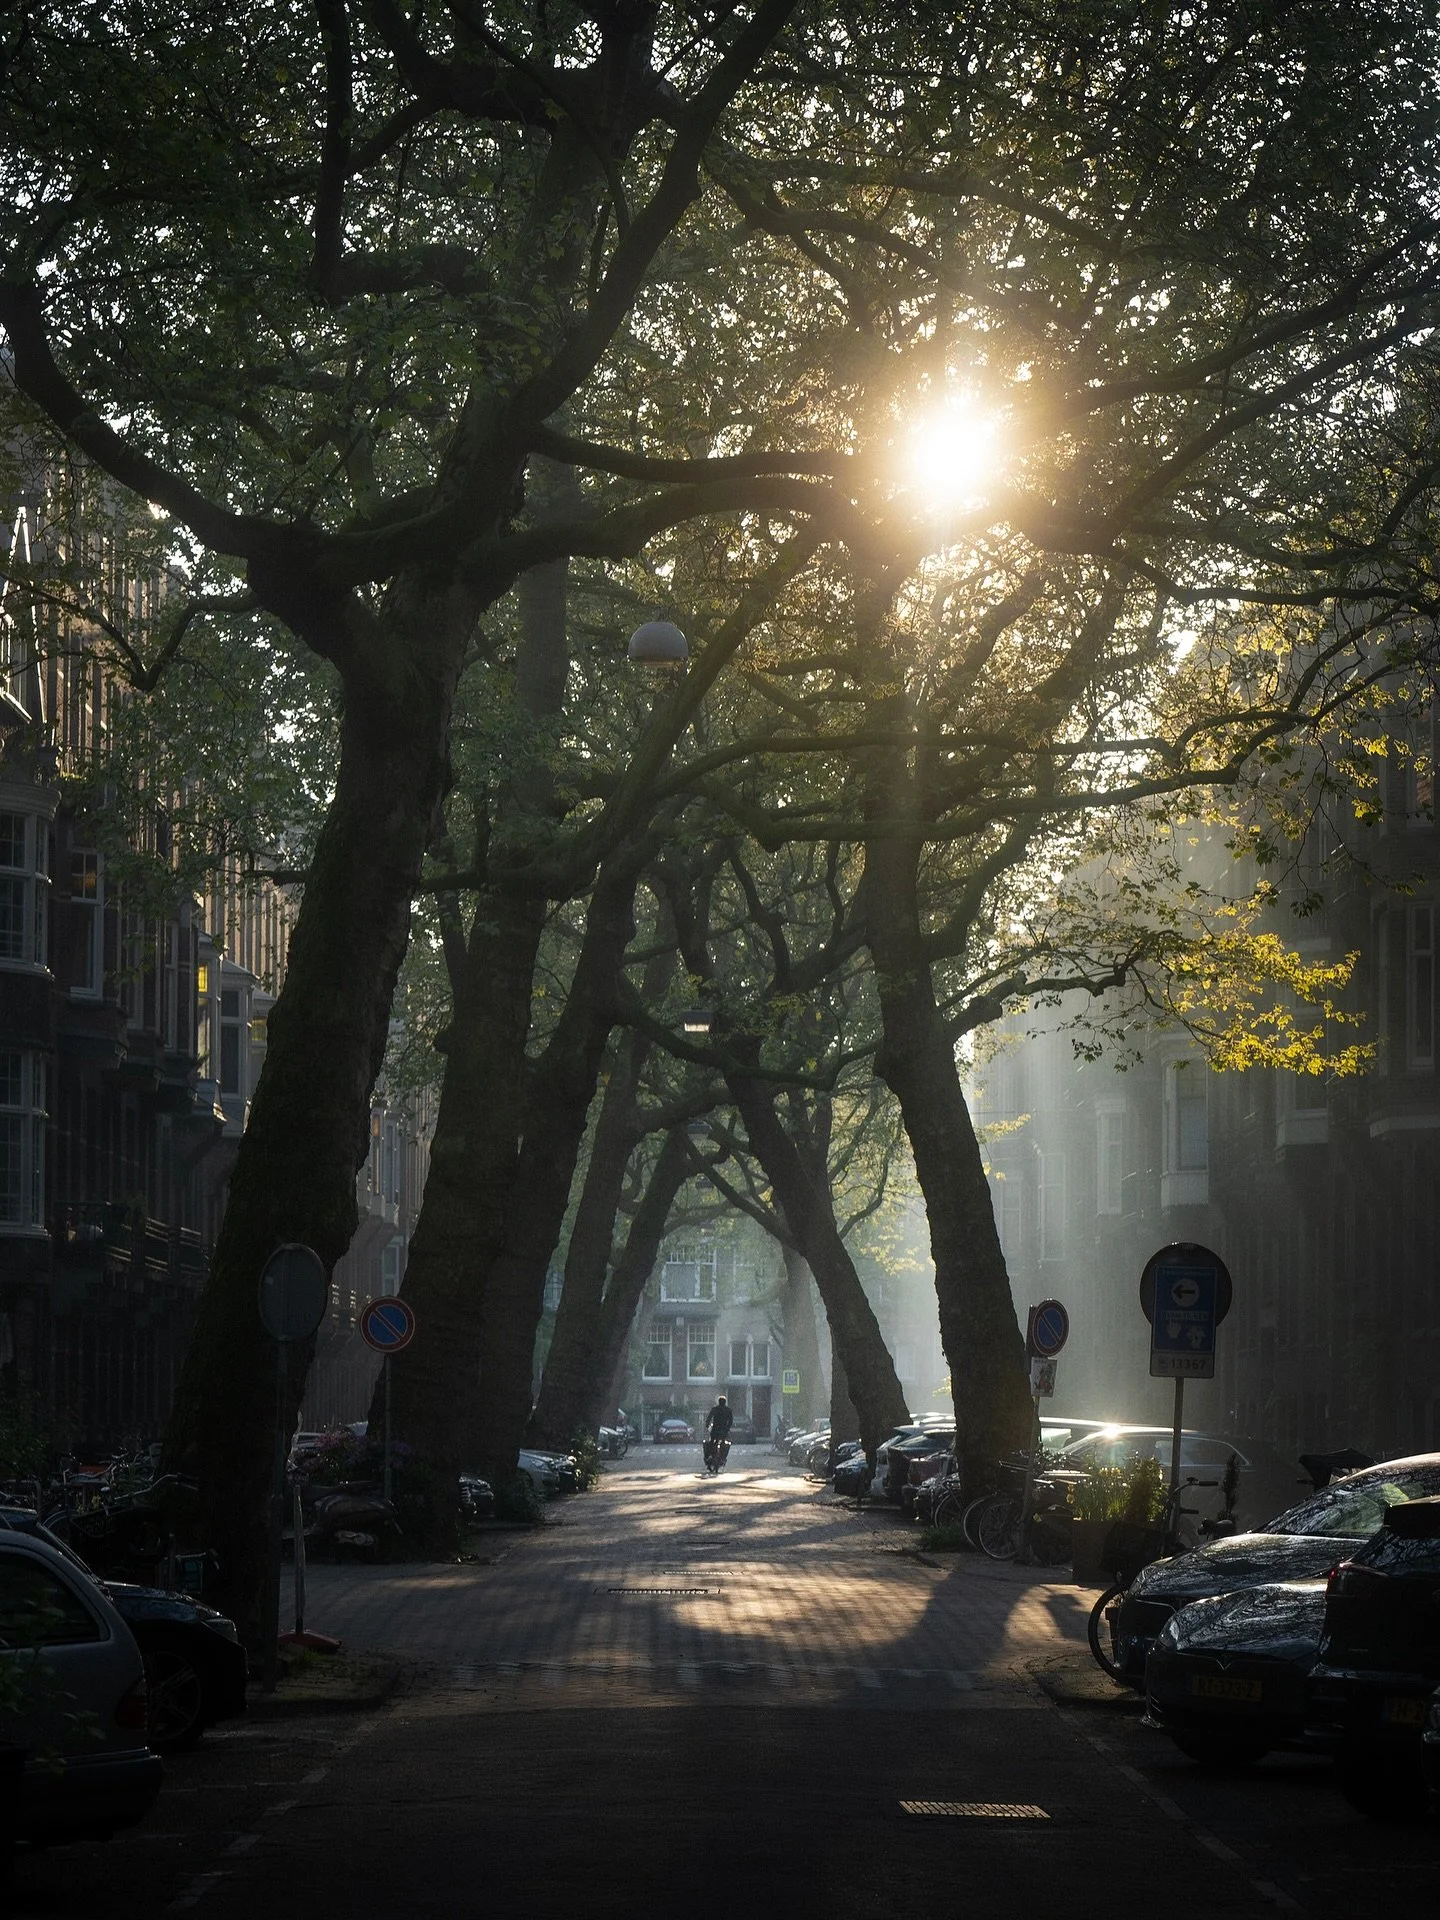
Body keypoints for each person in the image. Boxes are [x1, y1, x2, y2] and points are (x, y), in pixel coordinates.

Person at [703, 1394, 733, 1470]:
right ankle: (722, 1458)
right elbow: (731, 1421)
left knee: (711, 1442)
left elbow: (709, 1418)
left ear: (719, 1402)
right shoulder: (728, 1410)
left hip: (715, 1430)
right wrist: (727, 1428)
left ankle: (708, 1456)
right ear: (725, 1402)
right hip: (723, 1430)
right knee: (723, 1443)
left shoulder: (714, 1409)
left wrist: (707, 1426)